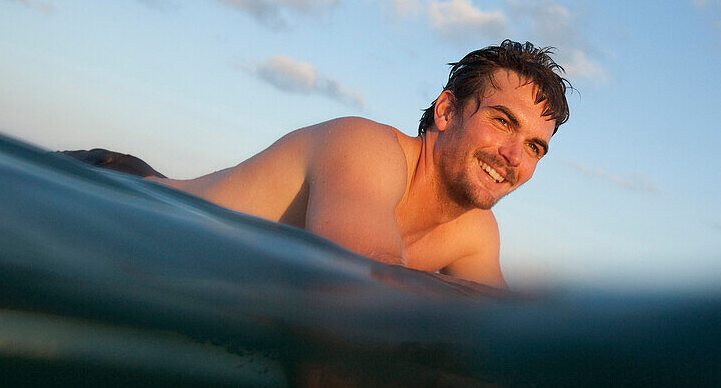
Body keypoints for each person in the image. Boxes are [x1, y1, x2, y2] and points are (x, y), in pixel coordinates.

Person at [74, 40, 571, 288]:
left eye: (534, 146)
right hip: (113, 196)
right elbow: (361, 285)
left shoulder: (476, 232)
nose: (513, 156)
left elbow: (495, 339)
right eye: (504, 122)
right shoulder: (366, 149)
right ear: (446, 111)